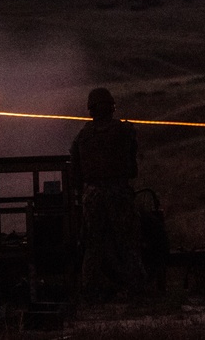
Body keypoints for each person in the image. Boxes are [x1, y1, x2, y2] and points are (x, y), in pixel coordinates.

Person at [69, 87, 147, 303]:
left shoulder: (82, 137)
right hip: (118, 192)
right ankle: (135, 289)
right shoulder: (123, 131)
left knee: (93, 246)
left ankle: (91, 292)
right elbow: (132, 163)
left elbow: (75, 171)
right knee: (128, 242)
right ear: (110, 106)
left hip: (93, 195)